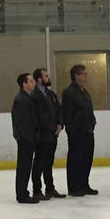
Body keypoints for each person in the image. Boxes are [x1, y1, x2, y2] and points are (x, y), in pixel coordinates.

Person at [61, 63, 98, 195]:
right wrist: (71, 130)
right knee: (75, 159)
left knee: (87, 158)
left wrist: (92, 122)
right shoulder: (69, 92)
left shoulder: (84, 91)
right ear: (76, 76)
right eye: (83, 73)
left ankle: (84, 183)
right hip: (77, 131)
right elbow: (67, 113)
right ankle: (73, 186)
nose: (85, 76)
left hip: (88, 130)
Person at [30, 67, 65, 200]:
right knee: (39, 163)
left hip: (52, 135)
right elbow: (40, 116)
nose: (48, 78)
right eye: (45, 76)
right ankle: (37, 190)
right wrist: (52, 127)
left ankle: (50, 188)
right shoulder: (35, 96)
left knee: (49, 163)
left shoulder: (51, 94)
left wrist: (60, 124)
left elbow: (59, 110)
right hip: (42, 135)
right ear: (39, 79)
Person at [11, 72, 40, 204]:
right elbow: (24, 123)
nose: (34, 83)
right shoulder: (21, 100)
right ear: (24, 84)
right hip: (25, 140)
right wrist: (30, 138)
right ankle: (22, 194)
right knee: (24, 167)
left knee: (26, 166)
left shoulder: (27, 98)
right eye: (31, 81)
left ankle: (23, 192)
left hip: (28, 139)